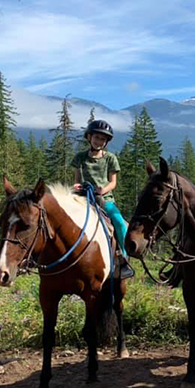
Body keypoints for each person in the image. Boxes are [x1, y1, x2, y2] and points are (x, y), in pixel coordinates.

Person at [71, 119, 135, 279]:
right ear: (89, 137)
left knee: (119, 222)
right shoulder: (80, 157)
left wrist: (101, 190)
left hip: (104, 197)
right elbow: (77, 180)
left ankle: (124, 259)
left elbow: (113, 182)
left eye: (103, 139)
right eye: (96, 138)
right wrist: (77, 186)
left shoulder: (110, 158)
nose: (99, 141)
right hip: (83, 196)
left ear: (106, 142)